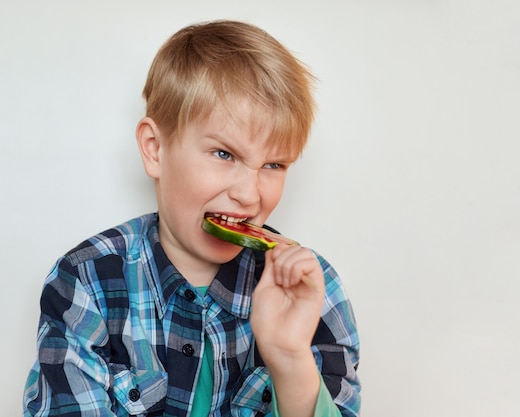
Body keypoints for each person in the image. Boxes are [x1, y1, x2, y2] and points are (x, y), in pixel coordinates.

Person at [23, 20, 360, 417]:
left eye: (273, 164)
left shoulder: (311, 289)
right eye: (224, 154)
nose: (249, 195)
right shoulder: (86, 282)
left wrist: (289, 361)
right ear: (155, 150)